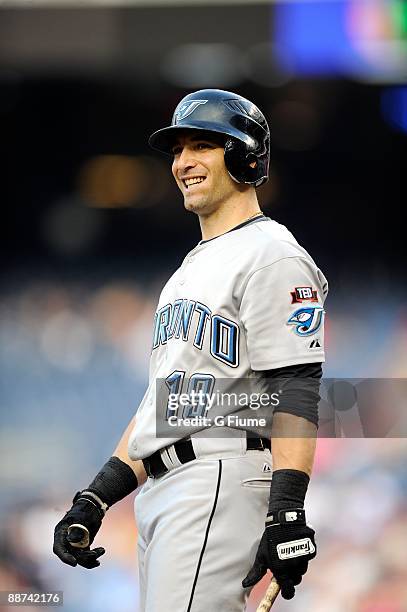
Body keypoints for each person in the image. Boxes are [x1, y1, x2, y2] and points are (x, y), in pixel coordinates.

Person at [53, 89, 328, 611]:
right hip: (167, 489)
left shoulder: (271, 254)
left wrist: (287, 510)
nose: (183, 162)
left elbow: (296, 388)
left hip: (218, 477)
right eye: (178, 150)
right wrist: (95, 499)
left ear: (246, 157)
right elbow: (165, 406)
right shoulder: (190, 270)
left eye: (202, 145)